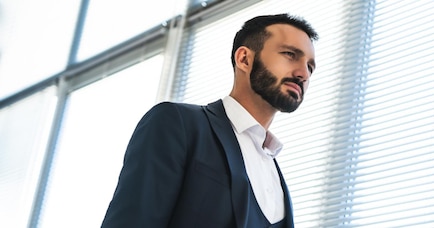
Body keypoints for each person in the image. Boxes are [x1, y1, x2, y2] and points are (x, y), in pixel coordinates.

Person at [101, 14, 318, 228]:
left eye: (310, 66)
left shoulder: (275, 174)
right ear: (244, 59)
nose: (303, 74)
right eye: (290, 54)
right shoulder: (177, 124)